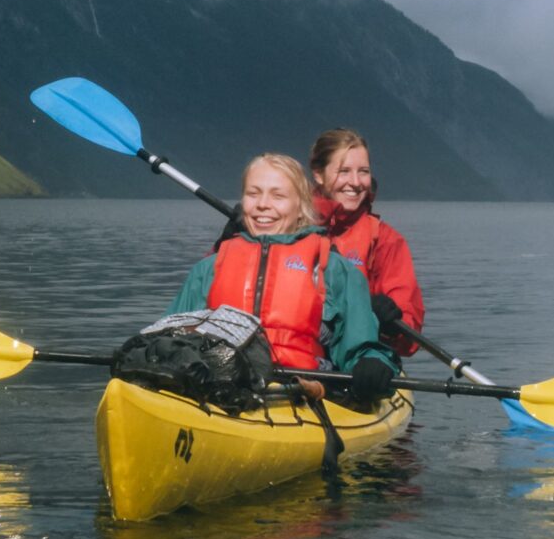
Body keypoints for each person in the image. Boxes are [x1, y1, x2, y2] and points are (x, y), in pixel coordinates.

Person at [166, 153, 397, 407]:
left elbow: (362, 346)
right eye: (253, 194)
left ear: (300, 208)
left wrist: (373, 364)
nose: (263, 204)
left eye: (278, 196)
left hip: (304, 391)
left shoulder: (334, 270)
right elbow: (169, 337)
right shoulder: (209, 268)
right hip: (219, 386)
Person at [309, 128, 428, 360]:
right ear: (319, 174)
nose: (355, 183)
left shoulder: (385, 240)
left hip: (357, 366)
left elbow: (410, 334)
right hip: (295, 359)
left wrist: (392, 324)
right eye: (343, 171)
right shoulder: (287, 226)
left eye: (363, 172)